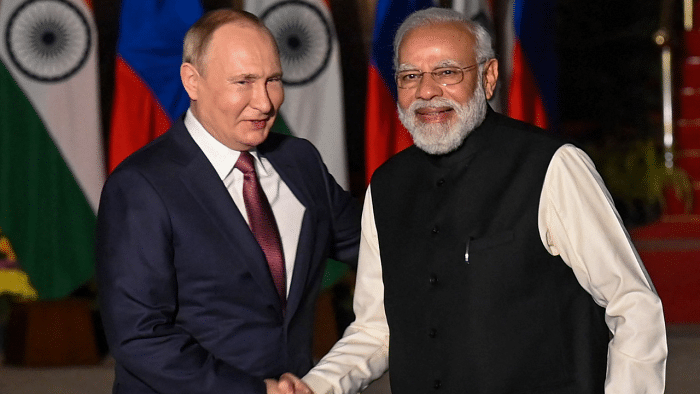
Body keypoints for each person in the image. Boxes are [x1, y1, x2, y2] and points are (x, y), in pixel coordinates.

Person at [301, 7, 667, 394]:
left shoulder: (552, 167)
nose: (426, 92)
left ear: (488, 77)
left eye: (446, 72)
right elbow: (377, 329)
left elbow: (633, 305)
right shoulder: (386, 186)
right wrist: (315, 387)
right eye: (410, 76)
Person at [96, 9, 359, 394]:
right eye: (244, 81)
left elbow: (377, 243)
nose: (265, 102)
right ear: (192, 81)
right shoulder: (140, 186)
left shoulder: (300, 162)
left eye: (273, 81)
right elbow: (140, 336)